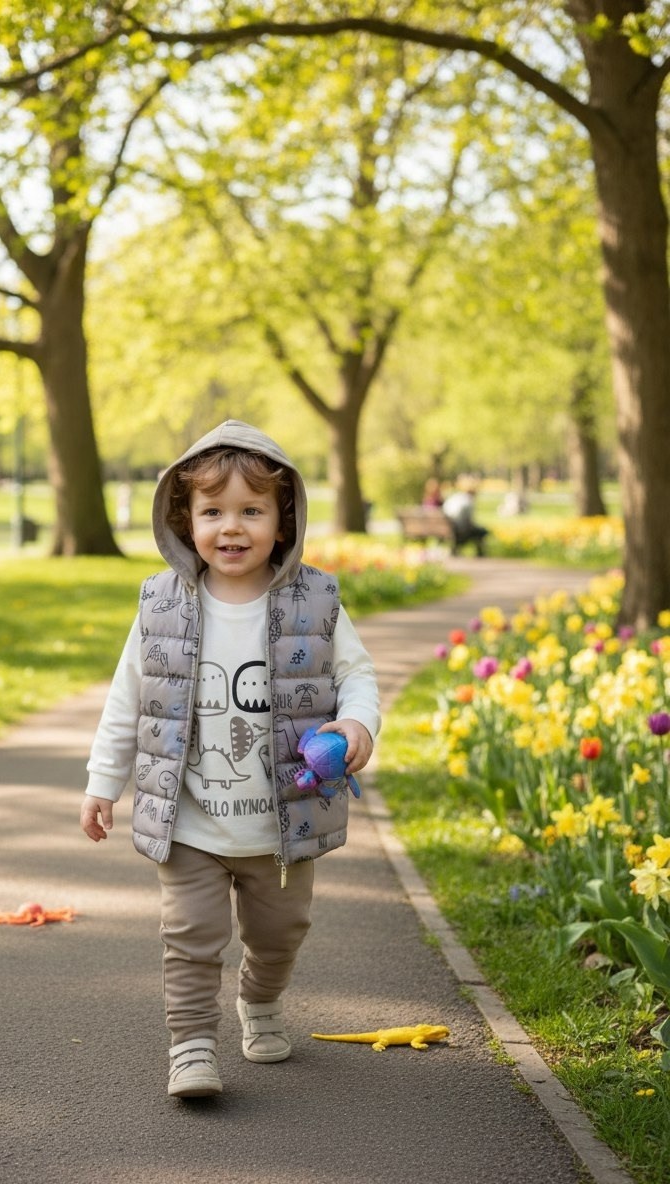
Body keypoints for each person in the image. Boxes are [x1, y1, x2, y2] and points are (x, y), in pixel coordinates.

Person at [80, 420, 380, 1099]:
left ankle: (261, 1000)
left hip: (281, 824)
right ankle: (190, 1047)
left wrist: (357, 722)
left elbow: (356, 675)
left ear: (283, 520)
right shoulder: (163, 606)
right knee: (189, 935)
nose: (232, 527)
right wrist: (103, 782)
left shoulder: (314, 601)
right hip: (190, 822)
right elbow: (129, 698)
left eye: (252, 511)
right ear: (186, 522)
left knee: (280, 935)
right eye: (213, 512)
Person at [442, 478, 490, 556]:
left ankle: (455, 549)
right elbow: (469, 521)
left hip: (449, 529)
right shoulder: (468, 501)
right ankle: (480, 553)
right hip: (460, 531)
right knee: (482, 531)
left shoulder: (454, 498)